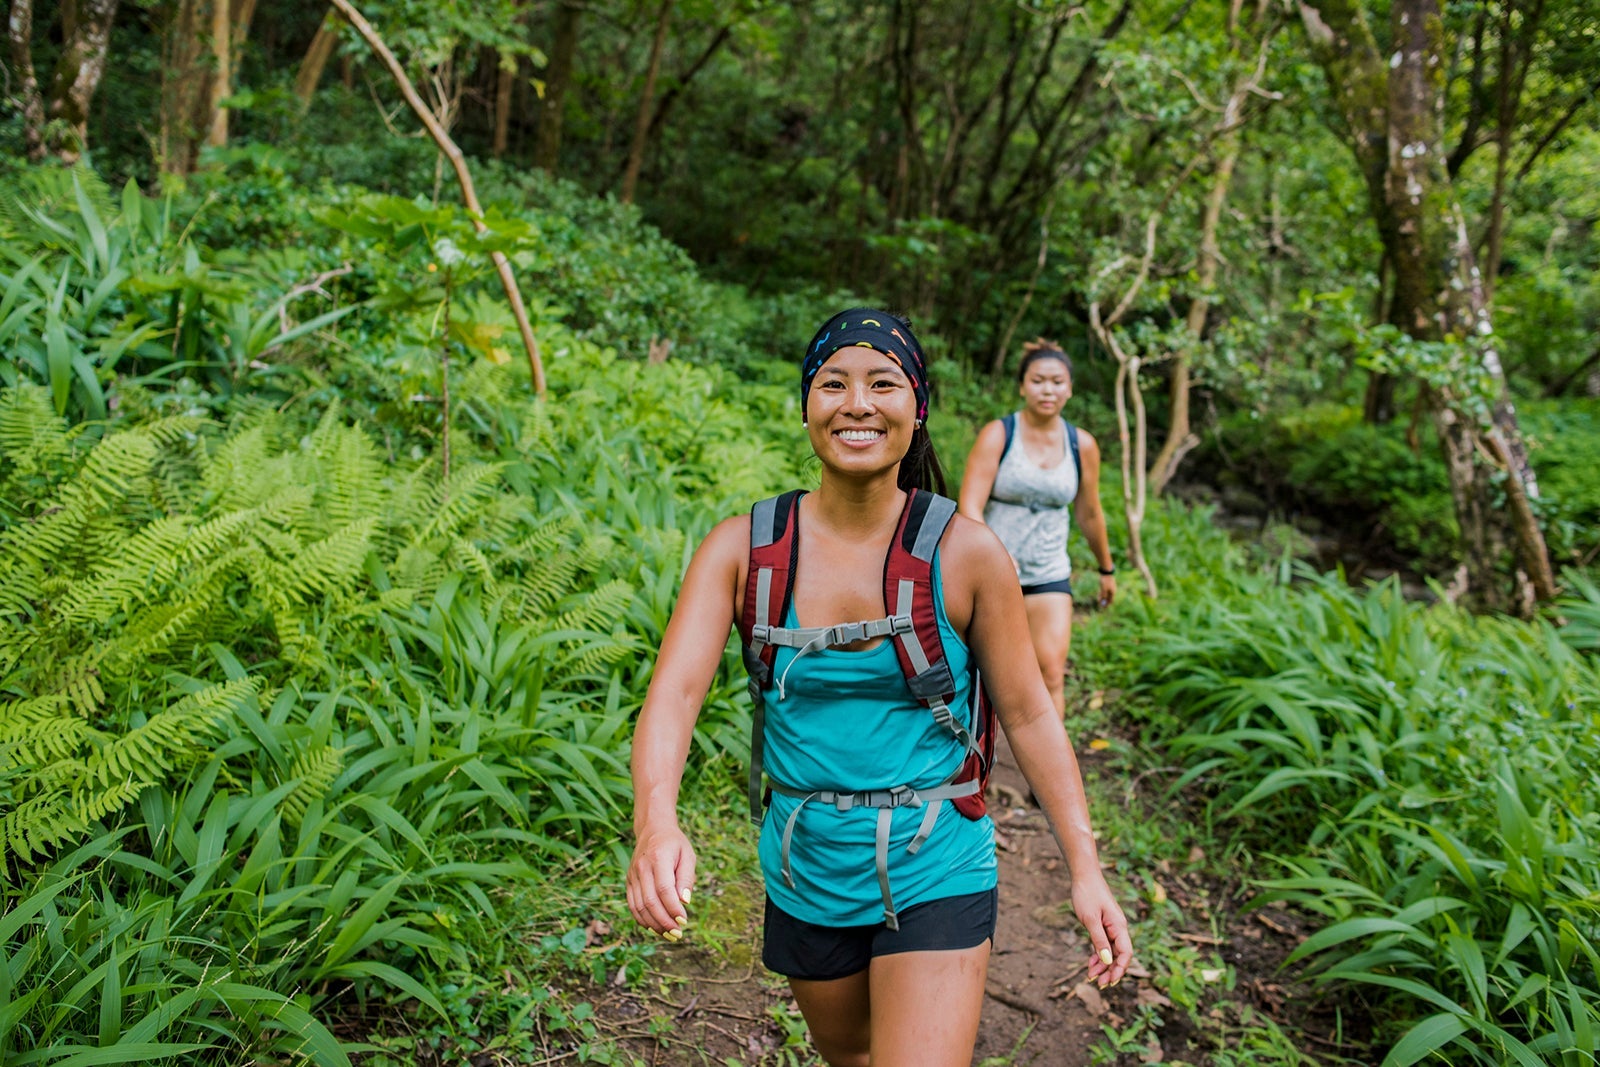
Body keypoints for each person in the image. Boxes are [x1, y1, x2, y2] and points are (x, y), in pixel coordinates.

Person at [627, 310, 1131, 1067]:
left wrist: (1085, 867)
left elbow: (1028, 713)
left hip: (939, 859)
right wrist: (655, 823)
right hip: (806, 864)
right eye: (833, 383)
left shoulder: (965, 554)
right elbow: (674, 694)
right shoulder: (743, 550)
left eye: (883, 383)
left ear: (917, 406)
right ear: (806, 405)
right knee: (852, 1055)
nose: (857, 403)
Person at [958, 339, 1115, 718]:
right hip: (992, 573)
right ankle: (978, 765)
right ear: (1022, 386)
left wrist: (1106, 568)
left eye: (1057, 382)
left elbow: (1090, 513)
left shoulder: (1082, 445)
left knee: (1050, 673)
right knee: (980, 674)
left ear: (1070, 388)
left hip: (1048, 571)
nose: (1048, 390)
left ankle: (1044, 778)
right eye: (1038, 380)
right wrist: (994, 553)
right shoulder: (999, 434)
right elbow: (970, 504)